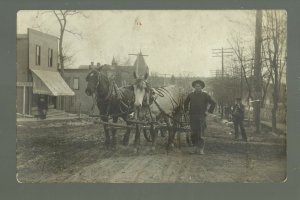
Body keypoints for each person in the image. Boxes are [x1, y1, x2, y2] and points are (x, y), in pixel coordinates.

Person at [184, 80, 216, 154]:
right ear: (194, 87)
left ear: (201, 87)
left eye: (199, 86)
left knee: (200, 132)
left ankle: (201, 149)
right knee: (193, 132)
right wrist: (186, 110)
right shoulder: (190, 95)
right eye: (196, 86)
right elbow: (185, 103)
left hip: (201, 116)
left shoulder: (205, 95)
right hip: (192, 116)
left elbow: (213, 103)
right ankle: (195, 147)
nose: (197, 87)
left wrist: (208, 111)